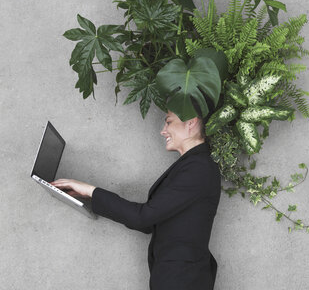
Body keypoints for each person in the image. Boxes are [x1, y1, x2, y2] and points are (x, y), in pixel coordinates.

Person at [52, 110, 222, 290]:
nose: (163, 131)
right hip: (177, 277)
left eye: (169, 122)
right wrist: (90, 195)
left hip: (182, 279)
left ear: (191, 123)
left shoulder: (198, 167)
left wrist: (91, 191)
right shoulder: (193, 165)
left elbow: (143, 217)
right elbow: (148, 223)